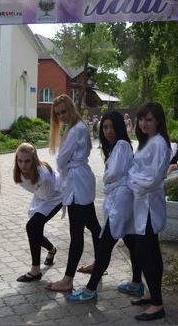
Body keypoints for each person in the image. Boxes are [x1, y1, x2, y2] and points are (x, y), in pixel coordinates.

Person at [67, 111, 139, 302]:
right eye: (105, 127)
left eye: (112, 127)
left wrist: (105, 180)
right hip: (121, 198)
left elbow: (113, 173)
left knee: (105, 245)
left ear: (120, 127)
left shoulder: (121, 145)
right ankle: (137, 283)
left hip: (121, 200)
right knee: (131, 241)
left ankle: (90, 290)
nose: (108, 131)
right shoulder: (116, 147)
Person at [45, 94, 101, 293]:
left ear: (71, 108)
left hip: (77, 183)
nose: (62, 116)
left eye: (64, 111)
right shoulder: (77, 127)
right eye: (58, 114)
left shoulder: (75, 129)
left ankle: (68, 280)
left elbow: (61, 159)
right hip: (81, 180)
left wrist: (63, 173)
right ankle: (100, 264)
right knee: (93, 226)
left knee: (76, 233)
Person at [126, 102, 172, 321]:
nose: (144, 123)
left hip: (150, 207)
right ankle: (153, 294)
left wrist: (131, 180)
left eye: (149, 119)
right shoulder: (148, 141)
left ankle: (157, 305)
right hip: (143, 205)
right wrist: (134, 178)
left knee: (144, 253)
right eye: (142, 119)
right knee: (151, 252)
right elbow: (139, 172)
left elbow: (152, 179)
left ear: (159, 121)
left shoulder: (159, 144)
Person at [13, 143, 62, 282]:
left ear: (34, 160)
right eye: (20, 161)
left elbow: (47, 196)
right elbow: (37, 191)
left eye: (27, 161)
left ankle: (35, 270)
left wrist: (37, 189)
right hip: (41, 195)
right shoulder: (19, 173)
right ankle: (51, 250)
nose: (23, 165)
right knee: (34, 229)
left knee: (32, 226)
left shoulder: (43, 176)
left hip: (56, 196)